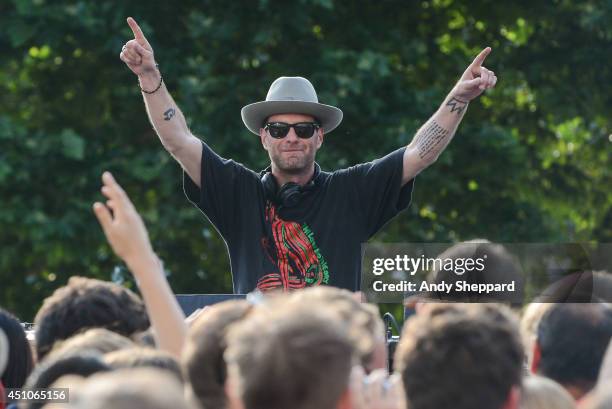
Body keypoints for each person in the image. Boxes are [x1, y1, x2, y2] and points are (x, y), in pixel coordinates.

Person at [120, 17, 497, 292]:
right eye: (279, 130)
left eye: (303, 130)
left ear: (320, 137)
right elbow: (178, 141)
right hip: (259, 362)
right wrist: (149, 78)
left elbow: (420, 153)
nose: (291, 138)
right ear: (263, 138)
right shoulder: (238, 191)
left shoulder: (352, 192)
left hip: (334, 362)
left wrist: (458, 98)